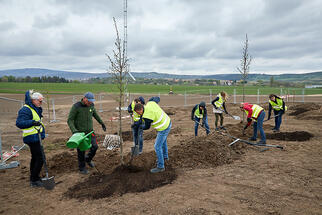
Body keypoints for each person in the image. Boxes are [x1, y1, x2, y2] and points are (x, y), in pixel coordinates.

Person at [67, 92, 106, 174]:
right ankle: (82, 168)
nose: (90, 103)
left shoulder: (91, 105)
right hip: (80, 133)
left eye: (91, 101)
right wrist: (74, 131)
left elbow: (95, 115)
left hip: (90, 131)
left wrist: (101, 123)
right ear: (84, 98)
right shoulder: (76, 107)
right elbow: (70, 120)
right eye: (88, 101)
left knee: (95, 147)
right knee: (81, 151)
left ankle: (88, 159)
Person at [16, 90, 46, 187]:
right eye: (40, 101)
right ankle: (34, 180)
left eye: (42, 101)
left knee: (35, 157)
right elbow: (19, 123)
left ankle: (34, 178)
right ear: (34, 100)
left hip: (36, 137)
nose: (41, 103)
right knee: (41, 158)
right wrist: (32, 122)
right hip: (31, 138)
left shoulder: (35, 108)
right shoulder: (25, 109)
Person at [134, 100, 171, 173]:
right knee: (163, 142)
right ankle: (165, 157)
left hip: (163, 127)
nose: (138, 114)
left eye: (138, 112)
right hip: (168, 121)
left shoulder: (147, 116)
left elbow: (147, 127)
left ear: (141, 109)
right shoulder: (150, 103)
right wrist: (137, 123)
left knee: (157, 146)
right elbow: (156, 98)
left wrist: (140, 127)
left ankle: (160, 167)